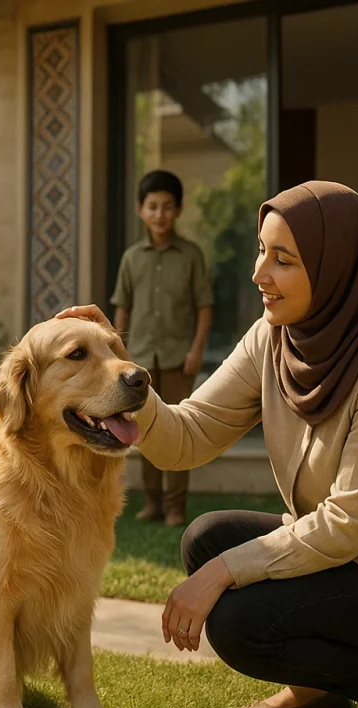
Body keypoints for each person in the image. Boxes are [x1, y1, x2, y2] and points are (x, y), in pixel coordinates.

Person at [58, 181, 358, 708]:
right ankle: (322, 685)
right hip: (347, 552)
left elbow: (348, 522)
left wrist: (224, 573)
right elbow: (190, 434)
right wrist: (120, 367)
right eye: (262, 251)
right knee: (205, 539)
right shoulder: (275, 337)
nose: (259, 272)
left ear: (335, 266)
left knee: (239, 624)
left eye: (283, 259)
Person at [110, 169, 213, 526]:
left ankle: (175, 506)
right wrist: (118, 354)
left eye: (167, 207)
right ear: (140, 209)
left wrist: (196, 350)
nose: (160, 214)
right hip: (139, 360)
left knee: (179, 431)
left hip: (178, 358)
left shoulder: (191, 256)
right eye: (152, 206)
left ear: (178, 210)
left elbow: (204, 306)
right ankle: (152, 503)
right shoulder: (131, 258)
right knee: (143, 431)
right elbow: (122, 307)